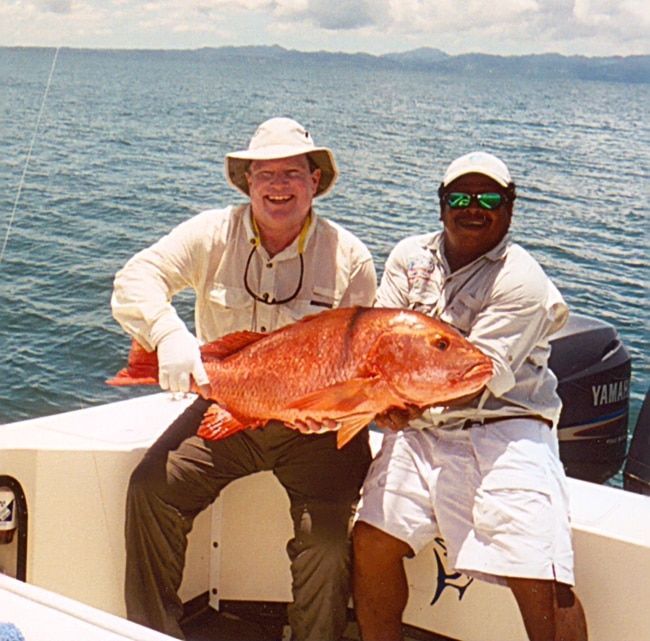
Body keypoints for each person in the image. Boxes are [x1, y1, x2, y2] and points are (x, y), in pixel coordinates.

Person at [111, 117, 377, 640]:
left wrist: (341, 408)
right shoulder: (211, 233)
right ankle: (151, 633)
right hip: (228, 405)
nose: (279, 186)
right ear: (247, 183)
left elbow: (362, 356)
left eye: (293, 173)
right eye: (265, 174)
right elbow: (135, 278)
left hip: (315, 431)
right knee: (151, 489)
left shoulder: (351, 258)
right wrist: (168, 335)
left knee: (325, 545)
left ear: (315, 182)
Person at [352, 152, 588, 641]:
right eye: (459, 197)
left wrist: (392, 400)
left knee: (539, 570)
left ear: (509, 208)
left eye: (488, 198)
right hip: (418, 425)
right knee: (372, 541)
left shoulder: (520, 279)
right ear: (441, 205)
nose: (472, 208)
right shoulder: (408, 257)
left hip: (505, 425)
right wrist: (381, 401)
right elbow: (376, 343)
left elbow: (475, 376)